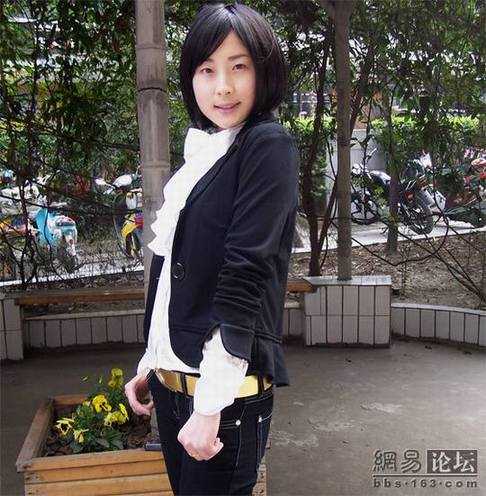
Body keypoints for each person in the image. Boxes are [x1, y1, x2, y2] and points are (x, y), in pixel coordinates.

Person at [125, 2, 299, 495]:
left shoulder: (267, 145)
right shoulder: (207, 153)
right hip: (173, 386)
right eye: (207, 69)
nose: (222, 86)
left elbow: (245, 274)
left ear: (263, 71)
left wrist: (208, 406)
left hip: (222, 399)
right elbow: (173, 273)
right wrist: (151, 362)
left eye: (238, 67)